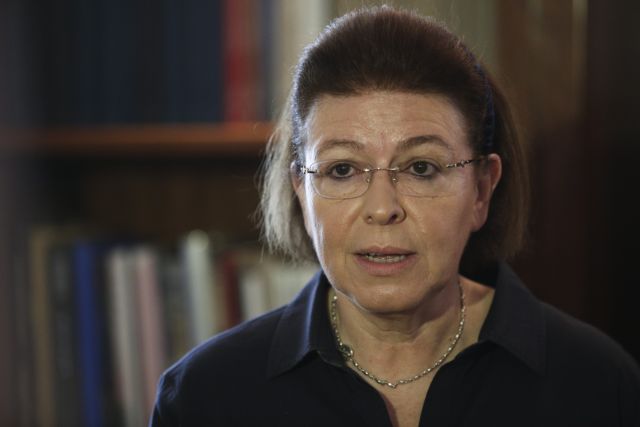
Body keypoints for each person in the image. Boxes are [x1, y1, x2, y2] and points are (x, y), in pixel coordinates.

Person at [150, 6, 640, 427]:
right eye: (342, 169)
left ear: (481, 190)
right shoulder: (204, 397)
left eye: (421, 168)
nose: (383, 208)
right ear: (301, 190)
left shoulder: (598, 383)